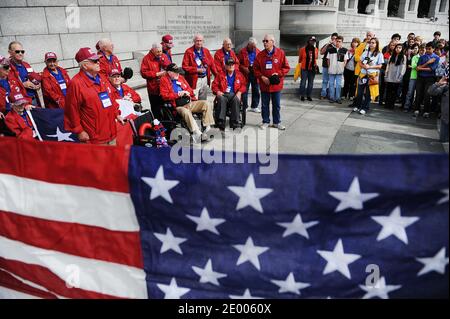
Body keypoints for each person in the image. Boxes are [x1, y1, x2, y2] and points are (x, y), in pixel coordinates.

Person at [64, 47, 124, 145]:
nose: (98, 62)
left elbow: (111, 99)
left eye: (98, 60)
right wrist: (79, 131)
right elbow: (71, 110)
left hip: (111, 132)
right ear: (85, 65)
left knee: (113, 159)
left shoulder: (102, 78)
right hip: (94, 137)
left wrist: (117, 114)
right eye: (95, 61)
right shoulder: (76, 83)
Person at [160, 63, 215, 143]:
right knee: (186, 112)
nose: (177, 74)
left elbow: (190, 90)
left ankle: (208, 128)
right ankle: (196, 133)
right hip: (177, 105)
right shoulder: (164, 80)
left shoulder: (181, 78)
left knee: (206, 103)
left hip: (188, 102)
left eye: (178, 72)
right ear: (169, 72)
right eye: (175, 72)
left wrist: (187, 93)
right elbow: (165, 96)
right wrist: (178, 94)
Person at [253, 34, 290, 130]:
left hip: (276, 85)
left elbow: (286, 68)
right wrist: (261, 77)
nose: (264, 43)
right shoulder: (260, 55)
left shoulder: (280, 53)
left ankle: (277, 122)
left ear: (272, 42)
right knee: (264, 105)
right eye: (263, 41)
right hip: (264, 84)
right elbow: (255, 69)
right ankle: (265, 121)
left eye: (266, 41)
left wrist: (278, 74)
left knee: (276, 105)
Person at [211, 58, 247, 130]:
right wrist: (217, 91)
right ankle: (221, 121)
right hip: (224, 94)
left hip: (234, 94)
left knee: (236, 99)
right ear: (226, 66)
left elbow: (244, 85)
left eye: (232, 65)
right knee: (221, 98)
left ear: (234, 65)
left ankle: (235, 122)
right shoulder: (220, 74)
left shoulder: (239, 74)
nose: (231, 66)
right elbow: (214, 85)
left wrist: (240, 92)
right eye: (229, 65)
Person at [353, 37, 383, 115]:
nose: (371, 44)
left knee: (368, 93)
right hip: (363, 74)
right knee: (359, 92)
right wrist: (364, 66)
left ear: (377, 44)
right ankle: (358, 105)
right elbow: (360, 62)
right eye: (370, 42)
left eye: (373, 43)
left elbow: (380, 66)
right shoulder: (366, 52)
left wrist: (370, 67)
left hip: (371, 75)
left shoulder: (379, 54)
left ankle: (365, 107)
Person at [182, 34, 217, 101]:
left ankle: (201, 111)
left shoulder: (206, 51)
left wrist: (217, 75)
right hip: (195, 79)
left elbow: (212, 64)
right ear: (194, 41)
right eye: (197, 41)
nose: (199, 42)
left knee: (203, 100)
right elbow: (184, 67)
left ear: (203, 41)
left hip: (204, 78)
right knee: (194, 99)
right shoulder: (189, 52)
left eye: (200, 41)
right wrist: (197, 70)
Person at [140, 43, 169, 120]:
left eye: (161, 51)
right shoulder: (146, 59)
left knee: (167, 108)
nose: (160, 53)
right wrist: (156, 74)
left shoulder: (163, 56)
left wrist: (164, 63)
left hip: (165, 87)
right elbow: (143, 73)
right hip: (154, 89)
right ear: (152, 50)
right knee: (156, 110)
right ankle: (158, 126)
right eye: (158, 52)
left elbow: (169, 67)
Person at [8, 41, 42, 106]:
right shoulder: (7, 67)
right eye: (17, 51)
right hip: (20, 102)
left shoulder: (26, 64)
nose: (20, 53)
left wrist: (37, 84)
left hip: (33, 98)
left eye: (22, 51)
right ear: (10, 52)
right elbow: (6, 86)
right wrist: (23, 84)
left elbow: (34, 76)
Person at [414, 42, 439, 118]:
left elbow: (431, 69)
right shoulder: (422, 57)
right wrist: (428, 62)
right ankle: (416, 109)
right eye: (427, 49)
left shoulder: (436, 58)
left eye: (429, 49)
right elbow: (417, 68)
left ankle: (426, 111)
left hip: (430, 78)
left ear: (433, 49)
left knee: (427, 94)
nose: (427, 50)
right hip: (420, 77)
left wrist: (421, 68)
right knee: (418, 93)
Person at [350, 31, 375, 108]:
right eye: (367, 35)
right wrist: (362, 60)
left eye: (370, 35)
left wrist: (365, 62)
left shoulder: (376, 46)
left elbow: (374, 58)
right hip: (360, 70)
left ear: (374, 36)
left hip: (369, 71)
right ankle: (357, 103)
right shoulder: (362, 45)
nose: (368, 37)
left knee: (368, 89)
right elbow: (356, 55)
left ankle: (365, 105)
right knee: (358, 89)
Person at [238, 37, 261, 112]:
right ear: (248, 45)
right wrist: (244, 68)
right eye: (252, 47)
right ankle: (245, 106)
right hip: (246, 73)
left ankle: (255, 106)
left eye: (254, 46)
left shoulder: (258, 52)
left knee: (256, 90)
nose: (253, 48)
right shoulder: (242, 52)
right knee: (244, 90)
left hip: (255, 73)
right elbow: (238, 64)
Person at [384, 43, 406, 109]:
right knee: (389, 91)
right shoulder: (391, 56)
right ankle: (387, 104)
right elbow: (388, 66)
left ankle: (391, 105)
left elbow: (403, 68)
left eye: (399, 48)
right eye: (397, 47)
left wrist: (401, 76)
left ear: (402, 49)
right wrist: (386, 74)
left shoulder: (403, 57)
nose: (398, 49)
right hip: (390, 76)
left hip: (397, 76)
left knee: (395, 91)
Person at [327, 35, 348, 104]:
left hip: (339, 70)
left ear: (342, 42)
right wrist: (329, 67)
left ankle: (338, 98)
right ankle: (332, 98)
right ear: (335, 41)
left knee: (338, 85)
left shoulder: (344, 50)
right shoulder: (330, 50)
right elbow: (328, 59)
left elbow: (345, 60)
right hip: (332, 69)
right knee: (331, 84)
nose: (338, 43)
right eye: (337, 41)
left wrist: (342, 68)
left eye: (340, 41)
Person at [298, 36, 319, 102]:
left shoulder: (316, 49)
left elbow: (316, 58)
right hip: (304, 68)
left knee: (310, 83)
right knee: (303, 83)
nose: (312, 42)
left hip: (312, 69)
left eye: (314, 41)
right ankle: (302, 95)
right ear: (308, 41)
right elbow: (300, 59)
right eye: (311, 40)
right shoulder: (302, 49)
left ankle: (309, 95)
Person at [428, 75, 449, 142]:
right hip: (446, 120)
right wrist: (438, 83)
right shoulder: (445, 88)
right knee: (443, 139)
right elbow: (431, 91)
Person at [403, 44, 422, 112]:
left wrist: (415, 67)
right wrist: (417, 67)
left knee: (418, 94)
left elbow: (414, 66)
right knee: (410, 92)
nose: (415, 50)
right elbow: (414, 65)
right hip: (413, 76)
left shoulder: (423, 57)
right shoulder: (414, 57)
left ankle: (415, 107)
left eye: (416, 48)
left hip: (420, 77)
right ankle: (406, 106)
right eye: (414, 48)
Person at [319, 32, 338, 100]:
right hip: (325, 65)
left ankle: (331, 95)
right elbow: (321, 52)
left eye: (335, 39)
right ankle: (323, 94)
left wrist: (335, 45)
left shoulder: (337, 46)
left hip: (333, 66)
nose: (333, 40)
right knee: (325, 80)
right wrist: (327, 44)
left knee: (332, 81)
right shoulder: (327, 45)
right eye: (332, 38)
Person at [379, 40, 397, 106]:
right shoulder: (386, 53)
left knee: (389, 87)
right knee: (382, 86)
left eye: (394, 45)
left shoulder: (397, 54)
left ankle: (386, 100)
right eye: (392, 45)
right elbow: (384, 62)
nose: (393, 47)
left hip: (392, 73)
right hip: (384, 71)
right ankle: (380, 100)